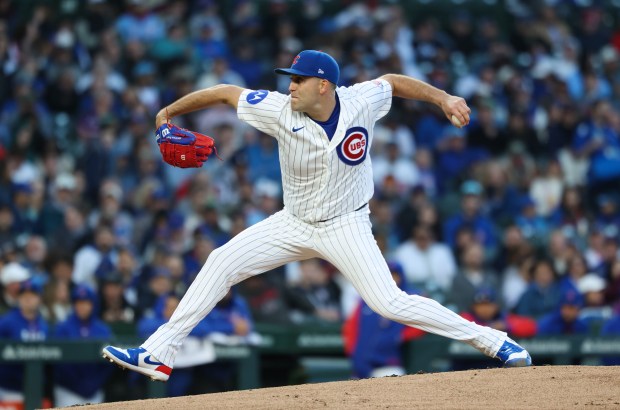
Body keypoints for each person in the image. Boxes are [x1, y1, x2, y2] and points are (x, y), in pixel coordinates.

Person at [102, 49, 531, 382]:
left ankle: (494, 340)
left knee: (389, 302)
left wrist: (443, 97)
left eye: (298, 80)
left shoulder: (360, 101)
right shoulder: (278, 110)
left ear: (323, 86)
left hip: (346, 224)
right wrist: (167, 114)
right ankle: (158, 352)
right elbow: (223, 91)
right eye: (290, 80)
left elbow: (394, 82)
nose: (290, 87)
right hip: (293, 222)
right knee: (220, 261)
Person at [52, 285, 113, 407]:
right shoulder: (62, 328)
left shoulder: (103, 330)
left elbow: (110, 363)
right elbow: (57, 363)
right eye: (78, 302)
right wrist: (77, 384)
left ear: (92, 304)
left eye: (86, 303)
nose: (82, 306)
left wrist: (95, 383)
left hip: (95, 392)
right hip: (67, 390)